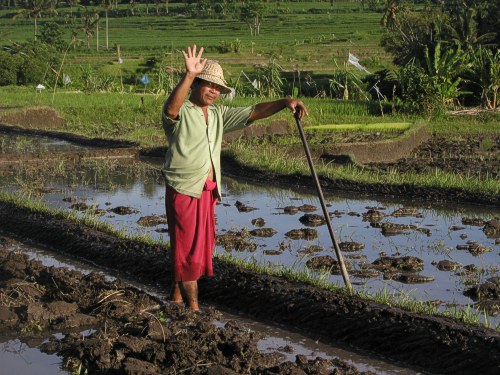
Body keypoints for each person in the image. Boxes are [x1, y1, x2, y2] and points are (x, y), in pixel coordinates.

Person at [162, 44, 308, 311]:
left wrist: (285, 102)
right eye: (209, 85)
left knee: (198, 246)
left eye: (218, 88)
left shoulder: (218, 115)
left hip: (208, 190)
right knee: (187, 250)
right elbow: (170, 109)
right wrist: (189, 75)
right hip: (184, 189)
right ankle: (193, 309)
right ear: (197, 84)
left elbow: (253, 112)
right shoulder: (181, 113)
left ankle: (175, 297)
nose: (214, 91)